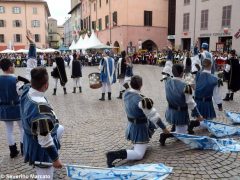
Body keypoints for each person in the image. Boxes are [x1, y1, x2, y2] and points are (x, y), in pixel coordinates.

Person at [106, 75, 169, 167]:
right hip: (139, 129)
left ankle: (137, 145)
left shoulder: (126, 94)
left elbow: (126, 86)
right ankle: (113, 155)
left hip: (131, 126)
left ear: (131, 84)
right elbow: (154, 116)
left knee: (147, 135)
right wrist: (164, 129)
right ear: (141, 85)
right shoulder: (142, 100)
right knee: (139, 155)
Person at [21, 67, 64, 180]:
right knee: (45, 176)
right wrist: (55, 159)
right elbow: (45, 140)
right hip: (40, 148)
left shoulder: (26, 90)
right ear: (46, 85)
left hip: (31, 136)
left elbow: (30, 64)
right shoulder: (41, 111)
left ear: (32, 82)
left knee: (60, 128)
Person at [159, 64, 202, 146]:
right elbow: (190, 103)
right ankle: (165, 135)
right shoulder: (185, 86)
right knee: (182, 135)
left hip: (170, 111)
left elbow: (166, 68)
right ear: (182, 73)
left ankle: (175, 126)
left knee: (179, 127)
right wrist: (198, 115)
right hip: (180, 114)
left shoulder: (167, 80)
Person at [0, 59, 29, 158]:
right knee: (22, 129)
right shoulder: (16, 80)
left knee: (9, 130)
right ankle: (23, 150)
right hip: (16, 107)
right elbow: (21, 93)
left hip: (4, 108)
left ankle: (13, 151)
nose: (14, 67)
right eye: (13, 66)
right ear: (10, 67)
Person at [188, 55, 223, 134]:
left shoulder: (197, 74)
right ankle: (194, 123)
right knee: (208, 124)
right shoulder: (215, 79)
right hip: (207, 103)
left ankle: (194, 122)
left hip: (196, 101)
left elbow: (191, 85)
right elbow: (216, 94)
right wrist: (219, 105)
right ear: (211, 65)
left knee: (201, 118)